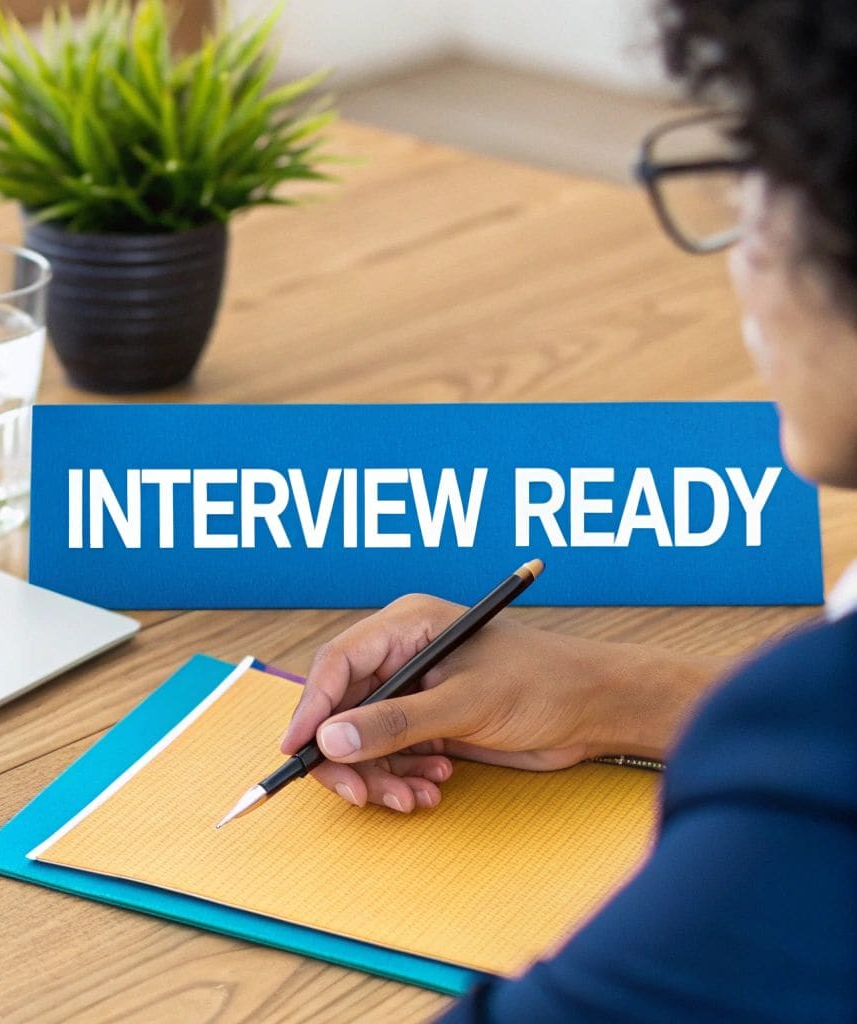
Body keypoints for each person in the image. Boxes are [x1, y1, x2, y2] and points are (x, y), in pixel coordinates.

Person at [280, 2, 855, 1019]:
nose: (739, 258)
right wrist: (633, 694)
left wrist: (763, 743)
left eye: (761, 184)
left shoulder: (810, 792)